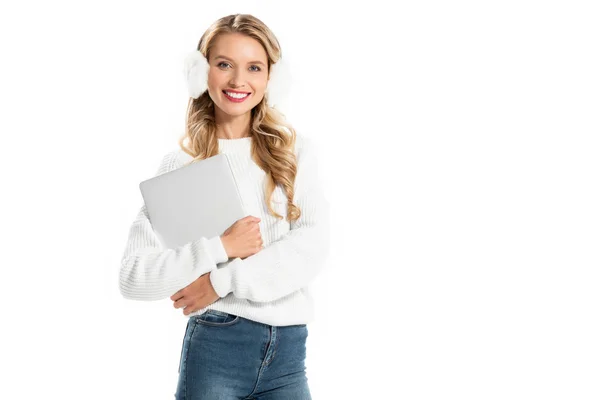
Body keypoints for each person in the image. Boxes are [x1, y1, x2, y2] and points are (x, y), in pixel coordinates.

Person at [118, 13, 330, 400]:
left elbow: (310, 249)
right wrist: (221, 248)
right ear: (202, 73)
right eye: (223, 65)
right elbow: (133, 276)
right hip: (216, 350)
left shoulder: (294, 153)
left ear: (271, 78)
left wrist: (219, 280)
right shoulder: (182, 165)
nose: (238, 81)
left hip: (288, 355)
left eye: (254, 67)